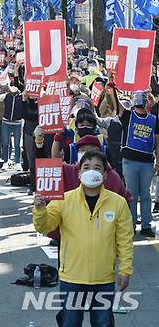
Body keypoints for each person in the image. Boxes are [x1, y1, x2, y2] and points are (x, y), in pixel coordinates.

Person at [33, 150, 133, 327]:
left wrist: (125, 270)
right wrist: (40, 210)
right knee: (70, 323)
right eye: (86, 167)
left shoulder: (118, 203)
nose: (91, 171)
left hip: (103, 278)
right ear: (79, 173)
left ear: (104, 174)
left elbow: (124, 239)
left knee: (103, 323)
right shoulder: (64, 199)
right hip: (71, 277)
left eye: (97, 167)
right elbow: (45, 226)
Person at [115, 90, 159, 237]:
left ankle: (146, 225)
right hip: (130, 161)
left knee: (145, 195)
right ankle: (131, 224)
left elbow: (157, 143)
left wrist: (158, 163)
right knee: (132, 194)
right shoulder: (128, 115)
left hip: (147, 161)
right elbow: (115, 104)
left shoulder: (153, 120)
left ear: (147, 102)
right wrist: (112, 87)